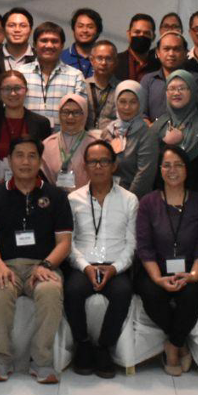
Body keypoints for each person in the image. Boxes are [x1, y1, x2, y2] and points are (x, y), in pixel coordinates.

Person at [0, 136, 71, 383]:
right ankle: (0, 360)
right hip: (5, 264)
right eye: (19, 155)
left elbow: (64, 243)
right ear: (9, 160)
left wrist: (46, 265)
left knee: (51, 290)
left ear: (40, 160)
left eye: (32, 156)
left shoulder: (56, 196)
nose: (25, 162)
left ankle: (41, 361)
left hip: (42, 265)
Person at [61, 140, 139, 378]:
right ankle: (83, 345)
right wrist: (85, 267)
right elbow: (68, 242)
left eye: (104, 161)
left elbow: (132, 243)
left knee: (122, 292)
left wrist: (114, 269)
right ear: (85, 167)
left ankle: (104, 347)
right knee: (72, 291)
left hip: (116, 266)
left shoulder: (129, 200)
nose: (98, 167)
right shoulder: (73, 200)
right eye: (93, 162)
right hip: (83, 264)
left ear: (114, 165)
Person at [134, 145, 198, 375]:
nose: (172, 170)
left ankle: (172, 345)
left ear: (187, 170)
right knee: (151, 293)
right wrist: (158, 278)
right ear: (159, 170)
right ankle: (179, 341)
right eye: (167, 165)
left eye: (178, 164)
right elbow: (144, 246)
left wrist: (194, 275)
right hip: (155, 269)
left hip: (191, 269)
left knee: (193, 293)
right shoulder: (148, 202)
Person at [0, 69, 51, 189]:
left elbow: (44, 164)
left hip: (31, 189)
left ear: (26, 91)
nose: (13, 93)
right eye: (7, 89)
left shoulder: (41, 123)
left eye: (17, 88)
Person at [19, 22, 88, 129]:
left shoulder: (75, 76)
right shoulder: (20, 73)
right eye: (44, 40)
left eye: (55, 41)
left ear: (62, 45)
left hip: (63, 142)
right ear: (34, 44)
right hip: (27, 140)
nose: (49, 45)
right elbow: (10, 109)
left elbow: (81, 114)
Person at [98, 80, 158, 195]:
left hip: (134, 200)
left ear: (140, 104)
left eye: (133, 102)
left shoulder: (147, 134)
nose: (127, 107)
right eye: (122, 101)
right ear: (116, 103)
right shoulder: (108, 131)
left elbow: (144, 176)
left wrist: (127, 202)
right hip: (106, 195)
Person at [141, 31, 198, 116]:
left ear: (185, 53)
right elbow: (141, 114)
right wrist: (154, 128)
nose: (171, 54)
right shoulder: (148, 80)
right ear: (158, 53)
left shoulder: (194, 79)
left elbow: (196, 114)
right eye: (166, 49)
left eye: (176, 49)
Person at [42, 94, 94, 191]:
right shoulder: (47, 144)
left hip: (86, 201)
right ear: (59, 114)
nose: (70, 117)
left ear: (85, 114)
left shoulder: (94, 144)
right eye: (65, 112)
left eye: (76, 112)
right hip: (55, 201)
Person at [84, 40, 121, 128]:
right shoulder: (82, 86)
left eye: (108, 58)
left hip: (112, 139)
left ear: (115, 62)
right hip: (85, 138)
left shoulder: (121, 89)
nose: (104, 63)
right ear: (92, 60)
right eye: (99, 58)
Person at [112, 13, 158, 83]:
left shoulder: (159, 66)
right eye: (137, 32)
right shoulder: (114, 62)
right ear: (129, 34)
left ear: (153, 37)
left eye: (146, 33)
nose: (141, 35)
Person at [62, 8, 101, 75]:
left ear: (98, 31)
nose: (85, 30)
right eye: (80, 26)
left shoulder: (104, 59)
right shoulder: (61, 58)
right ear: (73, 30)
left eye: (90, 27)